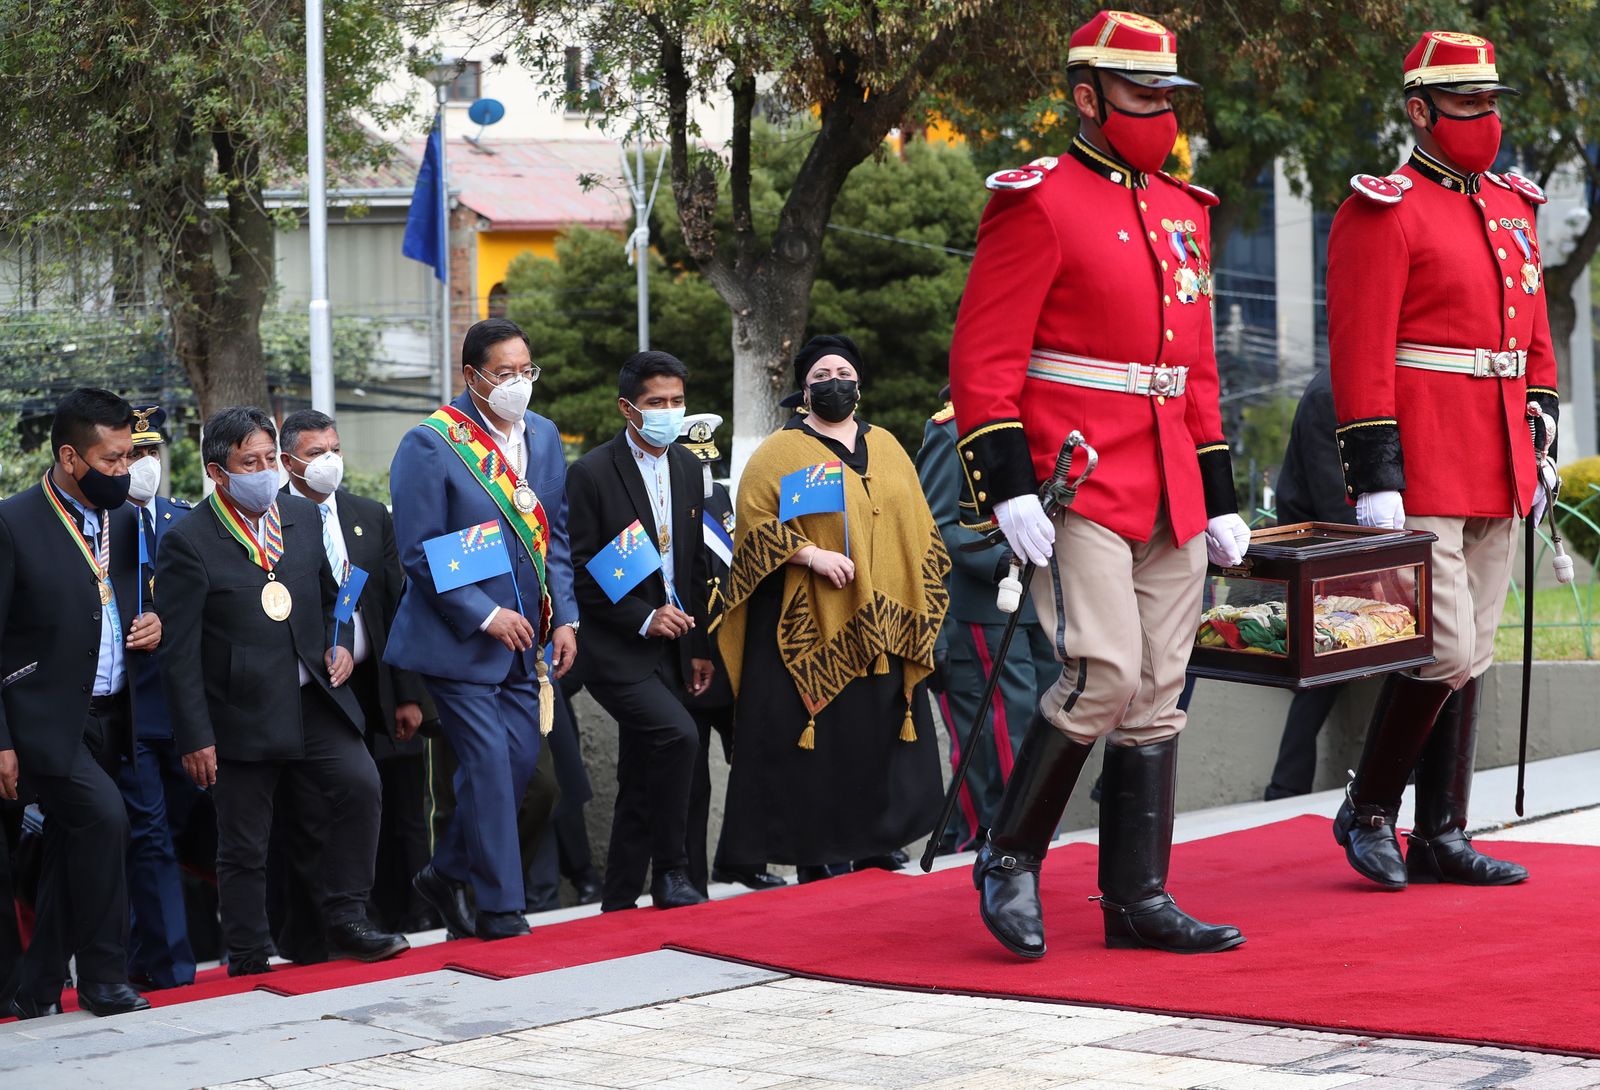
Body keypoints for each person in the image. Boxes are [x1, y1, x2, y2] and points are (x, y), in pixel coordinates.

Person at [949, 10, 1250, 960]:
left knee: (1160, 687)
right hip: (1074, 477)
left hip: (1172, 481)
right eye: (1139, 93)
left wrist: (1224, 493)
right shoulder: (1037, 200)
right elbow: (983, 357)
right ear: (1087, 97)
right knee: (1105, 669)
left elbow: (1195, 373)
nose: (1160, 110)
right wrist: (1005, 486)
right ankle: (1008, 855)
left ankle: (1137, 897)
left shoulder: (1183, 209)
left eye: (1169, 94)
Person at [1327, 30, 1557, 889]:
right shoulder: (1382, 208)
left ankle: (1442, 832)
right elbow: (1360, 349)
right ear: (1420, 111)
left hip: (1497, 452)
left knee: (1477, 649)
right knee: (1443, 647)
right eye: (1464, 106)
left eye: (1490, 104)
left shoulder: (1512, 207)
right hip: (1422, 454)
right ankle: (1371, 809)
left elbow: (1533, 342)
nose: (1483, 120)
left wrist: (1537, 436)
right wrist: (1373, 471)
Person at [157, 406, 407, 974]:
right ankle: (247, 953)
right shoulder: (189, 539)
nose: (266, 471)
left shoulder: (297, 515)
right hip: (239, 711)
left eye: (271, 459)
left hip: (312, 695)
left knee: (361, 785)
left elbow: (330, 596)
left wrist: (340, 642)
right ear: (219, 472)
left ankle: (347, 916)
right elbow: (179, 652)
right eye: (252, 462)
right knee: (245, 842)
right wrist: (196, 736)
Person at [717, 334, 948, 881]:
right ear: (803, 388)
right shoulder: (779, 452)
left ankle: (877, 843)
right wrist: (809, 554)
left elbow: (917, 526)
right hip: (811, 622)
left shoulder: (888, 445)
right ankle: (817, 854)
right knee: (818, 748)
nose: (833, 384)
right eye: (821, 376)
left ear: (859, 382)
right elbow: (752, 526)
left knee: (875, 739)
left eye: (842, 372)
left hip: (885, 624)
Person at [387, 317, 579, 940]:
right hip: (461, 642)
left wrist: (565, 615)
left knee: (523, 765)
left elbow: (557, 536)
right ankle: (501, 906)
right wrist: (485, 613)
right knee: (491, 766)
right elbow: (418, 551)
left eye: (528, 371)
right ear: (472, 376)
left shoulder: (545, 436)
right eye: (505, 374)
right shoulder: (431, 444)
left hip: (528, 643)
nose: (519, 384)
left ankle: (444, 873)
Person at [0, 388, 155, 1018]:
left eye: (128, 457)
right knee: (103, 820)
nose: (124, 471)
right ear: (70, 456)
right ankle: (103, 978)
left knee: (75, 846)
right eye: (113, 460)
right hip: (41, 718)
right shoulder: (12, 521)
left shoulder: (126, 519)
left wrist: (153, 622)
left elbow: (125, 596)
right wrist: (2, 738)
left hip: (113, 712)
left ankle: (35, 988)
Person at [566, 351, 713, 912]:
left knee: (642, 766)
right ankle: (672, 872)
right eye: (657, 403)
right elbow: (578, 568)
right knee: (677, 736)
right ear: (629, 408)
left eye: (677, 401)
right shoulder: (592, 473)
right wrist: (643, 617)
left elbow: (692, 566)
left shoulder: (686, 466)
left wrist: (696, 648)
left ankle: (620, 895)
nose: (670, 412)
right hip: (615, 648)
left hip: (675, 647)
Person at [279, 409, 434, 935]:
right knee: (326, 807)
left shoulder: (368, 514)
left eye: (335, 450)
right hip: (312, 691)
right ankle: (327, 924)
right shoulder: (272, 520)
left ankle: (404, 909)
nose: (329, 462)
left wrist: (407, 693)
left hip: (376, 683)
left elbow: (395, 603)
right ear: (288, 462)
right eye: (315, 453)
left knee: (397, 805)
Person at [915, 389, 1059, 852]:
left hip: (1050, 597)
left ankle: (1034, 834)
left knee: (1051, 724)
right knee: (1004, 726)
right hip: (988, 600)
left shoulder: (1049, 416)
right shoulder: (952, 429)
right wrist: (1000, 562)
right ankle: (998, 840)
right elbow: (935, 526)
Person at [675, 413, 785, 893]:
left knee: (756, 762)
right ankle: (690, 880)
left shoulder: (721, 497)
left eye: (707, 463)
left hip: (733, 653)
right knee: (691, 779)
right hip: (687, 656)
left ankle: (744, 859)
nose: (702, 473)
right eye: (692, 463)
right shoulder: (661, 501)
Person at [115, 405, 204, 990]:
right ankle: (170, 966)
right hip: (128, 711)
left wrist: (168, 624)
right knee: (146, 839)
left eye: (151, 454)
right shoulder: (100, 526)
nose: (144, 466)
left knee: (183, 835)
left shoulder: (185, 521)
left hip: (190, 711)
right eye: (132, 454)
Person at [1262, 371, 1358, 800]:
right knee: (1326, 658)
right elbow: (1333, 503)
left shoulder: (1344, 387)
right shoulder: (1330, 392)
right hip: (1314, 550)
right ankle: (1285, 789)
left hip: (1345, 546)